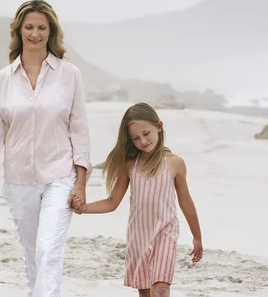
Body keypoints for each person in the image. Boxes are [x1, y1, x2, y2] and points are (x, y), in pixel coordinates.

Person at [0, 0, 92, 296]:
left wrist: (81, 183)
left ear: (51, 31)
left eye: (41, 27)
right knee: (32, 255)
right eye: (29, 27)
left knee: (48, 248)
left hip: (60, 175)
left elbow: (80, 131)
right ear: (19, 31)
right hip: (19, 180)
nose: (35, 33)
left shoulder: (70, 75)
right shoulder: (2, 80)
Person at [72, 102, 203, 297]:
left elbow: (185, 201)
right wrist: (83, 208)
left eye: (146, 133)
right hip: (138, 236)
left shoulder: (175, 163)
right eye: (136, 138)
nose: (142, 141)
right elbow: (112, 202)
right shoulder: (129, 166)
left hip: (165, 233)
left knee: (160, 288)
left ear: (159, 126)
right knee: (144, 292)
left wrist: (197, 236)